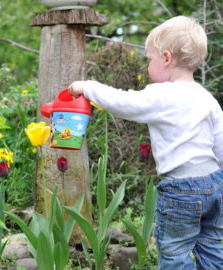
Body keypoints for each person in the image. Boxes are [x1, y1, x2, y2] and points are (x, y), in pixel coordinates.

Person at [68, 16, 223, 270]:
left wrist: (87, 87)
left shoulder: (161, 94)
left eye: (148, 59)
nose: (147, 64)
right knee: (213, 249)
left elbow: (122, 102)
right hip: (215, 186)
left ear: (166, 58)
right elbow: (221, 145)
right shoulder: (207, 98)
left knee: (175, 253)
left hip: (181, 190)